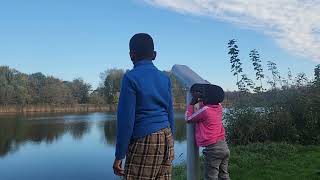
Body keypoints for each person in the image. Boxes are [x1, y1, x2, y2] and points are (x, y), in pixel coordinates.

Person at [113, 33, 174, 180]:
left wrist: (119, 155)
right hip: (167, 137)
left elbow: (126, 121)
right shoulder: (164, 78)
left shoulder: (131, 78)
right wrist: (170, 140)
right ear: (154, 55)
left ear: (131, 55)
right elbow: (170, 113)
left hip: (145, 140)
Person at [185, 84, 230, 180]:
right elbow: (202, 108)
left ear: (208, 97)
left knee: (211, 177)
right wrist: (199, 100)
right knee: (224, 176)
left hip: (213, 149)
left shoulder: (205, 111)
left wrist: (192, 103)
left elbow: (189, 118)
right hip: (224, 147)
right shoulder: (219, 107)